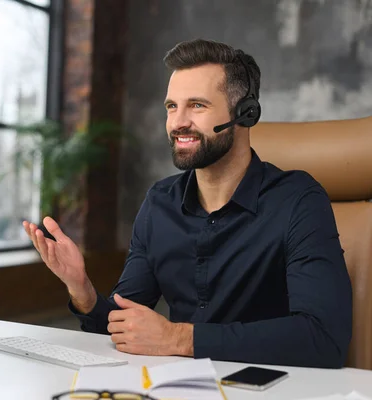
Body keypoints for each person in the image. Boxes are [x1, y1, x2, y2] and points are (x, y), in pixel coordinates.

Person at [22, 38, 352, 369]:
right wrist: (84, 292)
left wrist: (179, 339)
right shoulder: (159, 203)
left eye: (197, 105)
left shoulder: (298, 200)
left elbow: (323, 340)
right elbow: (125, 327)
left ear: (245, 114)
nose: (178, 122)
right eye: (171, 106)